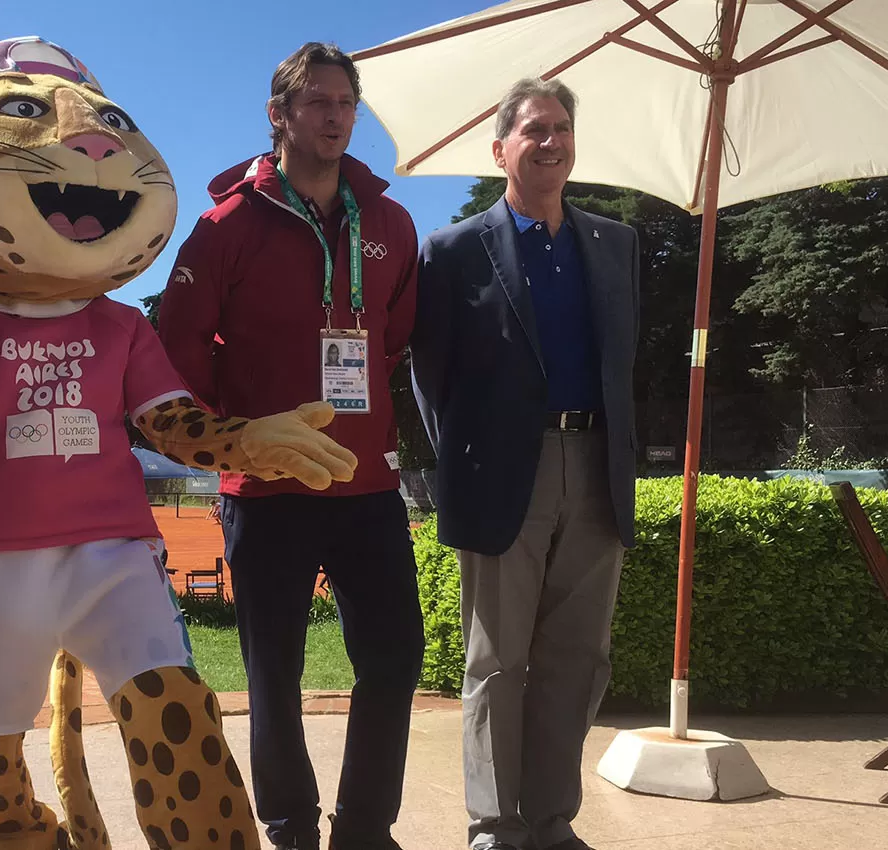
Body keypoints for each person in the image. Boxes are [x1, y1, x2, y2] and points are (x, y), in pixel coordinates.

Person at [159, 42, 423, 850]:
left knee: (395, 657)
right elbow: (177, 347)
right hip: (265, 491)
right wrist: (234, 443)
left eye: (346, 101)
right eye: (317, 101)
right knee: (273, 672)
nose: (336, 115)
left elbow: (396, 339)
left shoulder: (390, 221)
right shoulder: (226, 223)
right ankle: (292, 829)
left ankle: (366, 830)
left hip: (367, 489)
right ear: (278, 115)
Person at [409, 78, 640, 850]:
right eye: (535, 129)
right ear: (500, 147)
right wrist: (468, 464)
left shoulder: (616, 245)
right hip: (507, 473)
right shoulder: (451, 249)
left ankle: (550, 822)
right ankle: (494, 825)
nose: (551, 141)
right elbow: (430, 375)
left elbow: (619, 364)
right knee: (497, 661)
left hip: (598, 465)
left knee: (578, 660)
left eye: (562, 127)